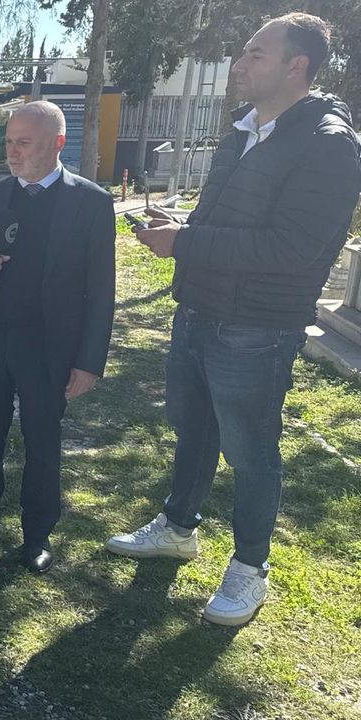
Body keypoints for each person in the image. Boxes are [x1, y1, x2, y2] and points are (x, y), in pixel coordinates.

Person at [109, 13, 361, 625]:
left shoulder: (328, 144)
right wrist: (181, 228)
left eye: (255, 53)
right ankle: (178, 527)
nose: (239, 64)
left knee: (251, 452)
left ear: (297, 65)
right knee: (192, 429)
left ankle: (250, 568)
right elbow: (228, 221)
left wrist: (185, 243)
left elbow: (291, 249)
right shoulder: (243, 131)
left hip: (257, 328)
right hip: (199, 311)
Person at [0, 101, 115, 573]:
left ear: (58, 144)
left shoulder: (91, 203)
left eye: (23, 143)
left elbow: (101, 290)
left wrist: (89, 361)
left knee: (43, 441)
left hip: (49, 349)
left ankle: (37, 534)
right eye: (9, 142)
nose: (11, 152)